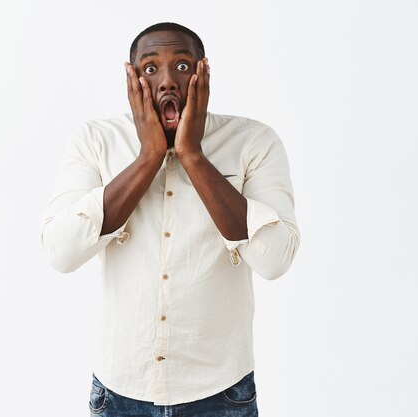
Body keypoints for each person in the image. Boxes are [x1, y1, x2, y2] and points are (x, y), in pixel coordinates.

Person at [40, 22, 300, 416]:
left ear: (203, 73)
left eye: (181, 66)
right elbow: (61, 253)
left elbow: (274, 259)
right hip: (120, 392)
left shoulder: (254, 142)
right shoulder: (96, 141)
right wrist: (148, 159)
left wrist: (193, 156)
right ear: (131, 77)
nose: (166, 82)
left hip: (221, 392)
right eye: (150, 68)